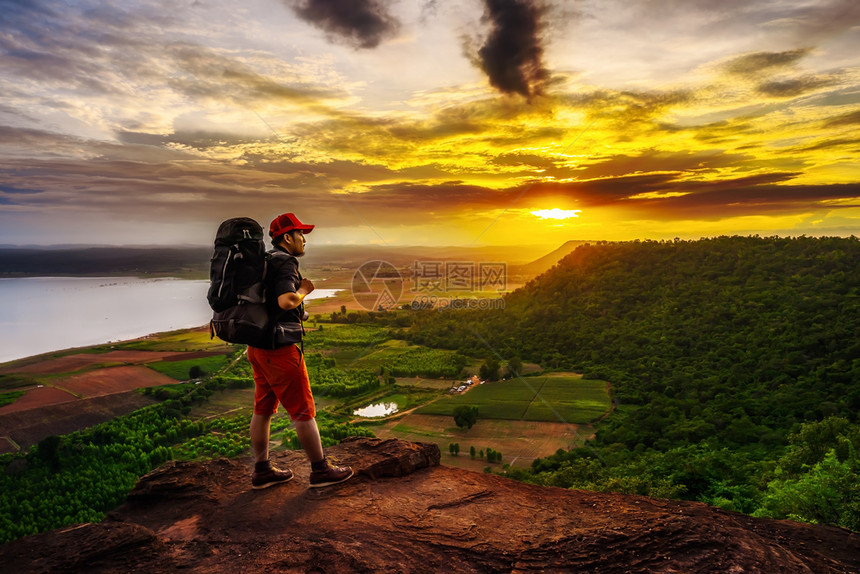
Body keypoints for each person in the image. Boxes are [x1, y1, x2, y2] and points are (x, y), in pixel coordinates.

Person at [246, 212, 353, 489]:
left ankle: (262, 471)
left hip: (258, 348)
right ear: (286, 238)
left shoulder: (264, 262)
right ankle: (320, 471)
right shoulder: (284, 263)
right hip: (280, 352)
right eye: (300, 234)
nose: (304, 240)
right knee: (303, 411)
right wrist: (304, 290)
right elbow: (286, 300)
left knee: (263, 409)